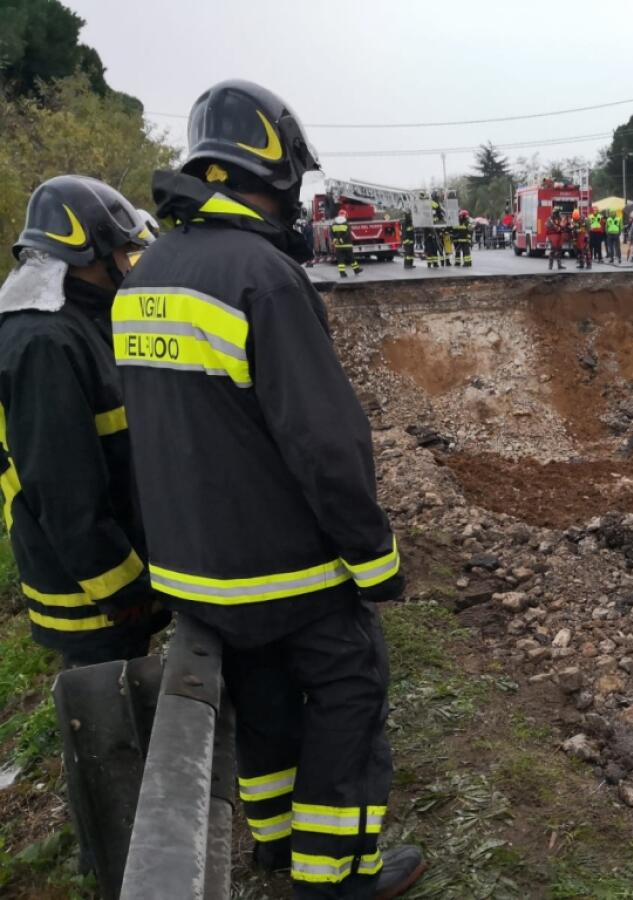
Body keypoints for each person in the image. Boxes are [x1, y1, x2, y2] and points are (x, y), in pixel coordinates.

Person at [113, 79, 425, 898]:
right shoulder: (263, 277)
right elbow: (325, 444)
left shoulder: (145, 274)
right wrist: (374, 557)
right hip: (284, 571)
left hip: (193, 574)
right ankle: (335, 880)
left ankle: (277, 849)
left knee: (264, 707)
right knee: (349, 698)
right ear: (275, 168)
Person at [0, 175, 168, 668]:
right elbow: (64, 486)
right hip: (93, 599)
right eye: (122, 251)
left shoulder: (76, 319)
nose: (128, 264)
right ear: (88, 254)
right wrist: (121, 587)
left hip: (108, 586)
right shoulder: (45, 341)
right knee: (109, 722)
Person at [330, 210, 361, 278]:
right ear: (346, 215)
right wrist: (342, 239)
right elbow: (347, 234)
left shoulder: (334, 224)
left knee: (340, 260)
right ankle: (356, 270)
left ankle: (342, 273)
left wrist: (335, 240)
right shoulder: (346, 223)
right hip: (347, 245)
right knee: (351, 258)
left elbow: (331, 233)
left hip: (338, 246)